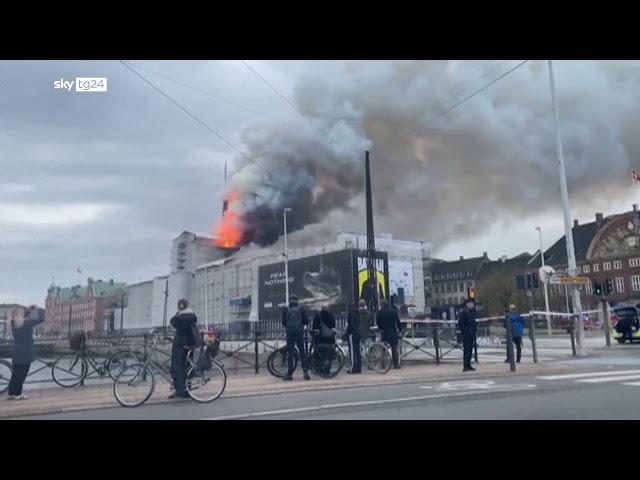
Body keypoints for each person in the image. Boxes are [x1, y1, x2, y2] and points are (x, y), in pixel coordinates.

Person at [7, 305, 45, 400]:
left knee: (15, 373)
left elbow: (25, 316)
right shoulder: (26, 323)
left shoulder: (12, 323)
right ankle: (18, 394)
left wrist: (29, 310)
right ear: (21, 314)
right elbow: (42, 318)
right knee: (22, 374)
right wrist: (38, 308)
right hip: (26, 351)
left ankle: (11, 392)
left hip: (16, 351)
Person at [169, 298, 198, 399]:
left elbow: (172, 322)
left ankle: (179, 389)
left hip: (179, 343)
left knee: (177, 366)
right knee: (187, 366)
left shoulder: (178, 317)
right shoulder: (192, 316)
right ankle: (187, 389)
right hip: (189, 343)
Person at [282, 295, 310, 381]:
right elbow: (306, 321)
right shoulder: (301, 309)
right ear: (297, 301)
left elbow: (284, 322)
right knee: (302, 352)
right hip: (299, 333)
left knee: (290, 353)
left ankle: (289, 374)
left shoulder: (286, 310)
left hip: (290, 333)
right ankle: (305, 372)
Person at [376, 299, 402, 369]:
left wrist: (380, 328)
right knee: (394, 348)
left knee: (383, 349)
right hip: (393, 332)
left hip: (384, 333)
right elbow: (397, 321)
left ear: (382, 305)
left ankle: (383, 364)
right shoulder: (392, 311)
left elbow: (378, 323)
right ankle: (396, 364)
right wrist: (400, 330)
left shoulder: (379, 313)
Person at [311, 303, 337, 376]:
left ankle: (318, 369)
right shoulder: (331, 316)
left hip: (320, 339)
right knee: (328, 356)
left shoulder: (318, 316)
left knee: (318, 354)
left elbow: (315, 327)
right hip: (329, 340)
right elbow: (333, 326)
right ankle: (327, 370)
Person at [458, 298, 477, 372]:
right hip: (466, 334)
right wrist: (467, 330)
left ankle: (468, 364)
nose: (472, 305)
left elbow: (474, 322)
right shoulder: (464, 312)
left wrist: (474, 330)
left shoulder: (472, 312)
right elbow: (460, 323)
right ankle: (465, 365)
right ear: (467, 304)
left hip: (471, 333)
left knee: (470, 350)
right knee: (467, 349)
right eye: (470, 303)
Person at [346, 304, 362, 374]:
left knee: (352, 351)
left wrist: (348, 331)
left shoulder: (351, 315)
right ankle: (358, 367)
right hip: (358, 333)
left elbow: (351, 326)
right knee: (357, 351)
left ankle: (353, 368)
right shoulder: (357, 314)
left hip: (353, 334)